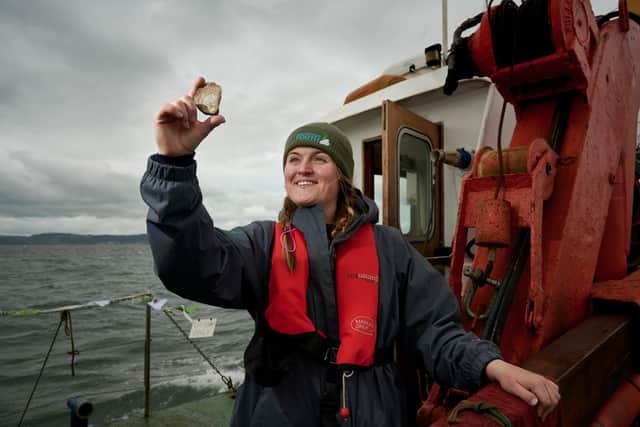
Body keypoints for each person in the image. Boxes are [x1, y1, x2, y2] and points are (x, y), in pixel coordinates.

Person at [140, 77, 560, 427]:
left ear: (341, 175)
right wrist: (174, 164)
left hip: (374, 410)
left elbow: (436, 331)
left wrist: (491, 365)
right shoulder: (263, 243)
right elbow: (192, 265)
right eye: (294, 158)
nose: (303, 167)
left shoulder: (389, 248)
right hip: (278, 411)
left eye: (319, 158)